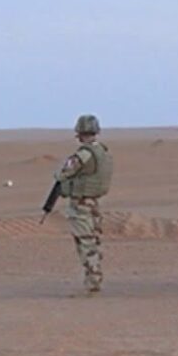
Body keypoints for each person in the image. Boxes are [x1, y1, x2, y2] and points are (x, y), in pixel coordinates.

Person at [54, 114, 114, 295]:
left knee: (85, 242)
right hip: (92, 202)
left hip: (81, 203)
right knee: (92, 240)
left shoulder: (84, 154)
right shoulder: (102, 151)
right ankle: (93, 277)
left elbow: (63, 173)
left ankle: (93, 280)